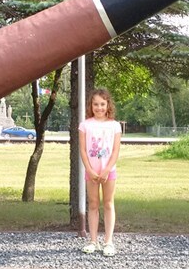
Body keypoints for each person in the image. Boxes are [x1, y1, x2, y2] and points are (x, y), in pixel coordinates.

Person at [78, 88, 122, 257]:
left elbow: (115, 152)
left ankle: (108, 242)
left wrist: (106, 170)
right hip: (91, 172)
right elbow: (82, 150)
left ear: (107, 105)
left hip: (108, 172)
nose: (99, 107)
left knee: (108, 204)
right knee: (93, 204)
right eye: (95, 104)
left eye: (102, 104)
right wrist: (89, 169)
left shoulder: (115, 126)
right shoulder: (85, 125)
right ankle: (93, 241)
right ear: (91, 105)